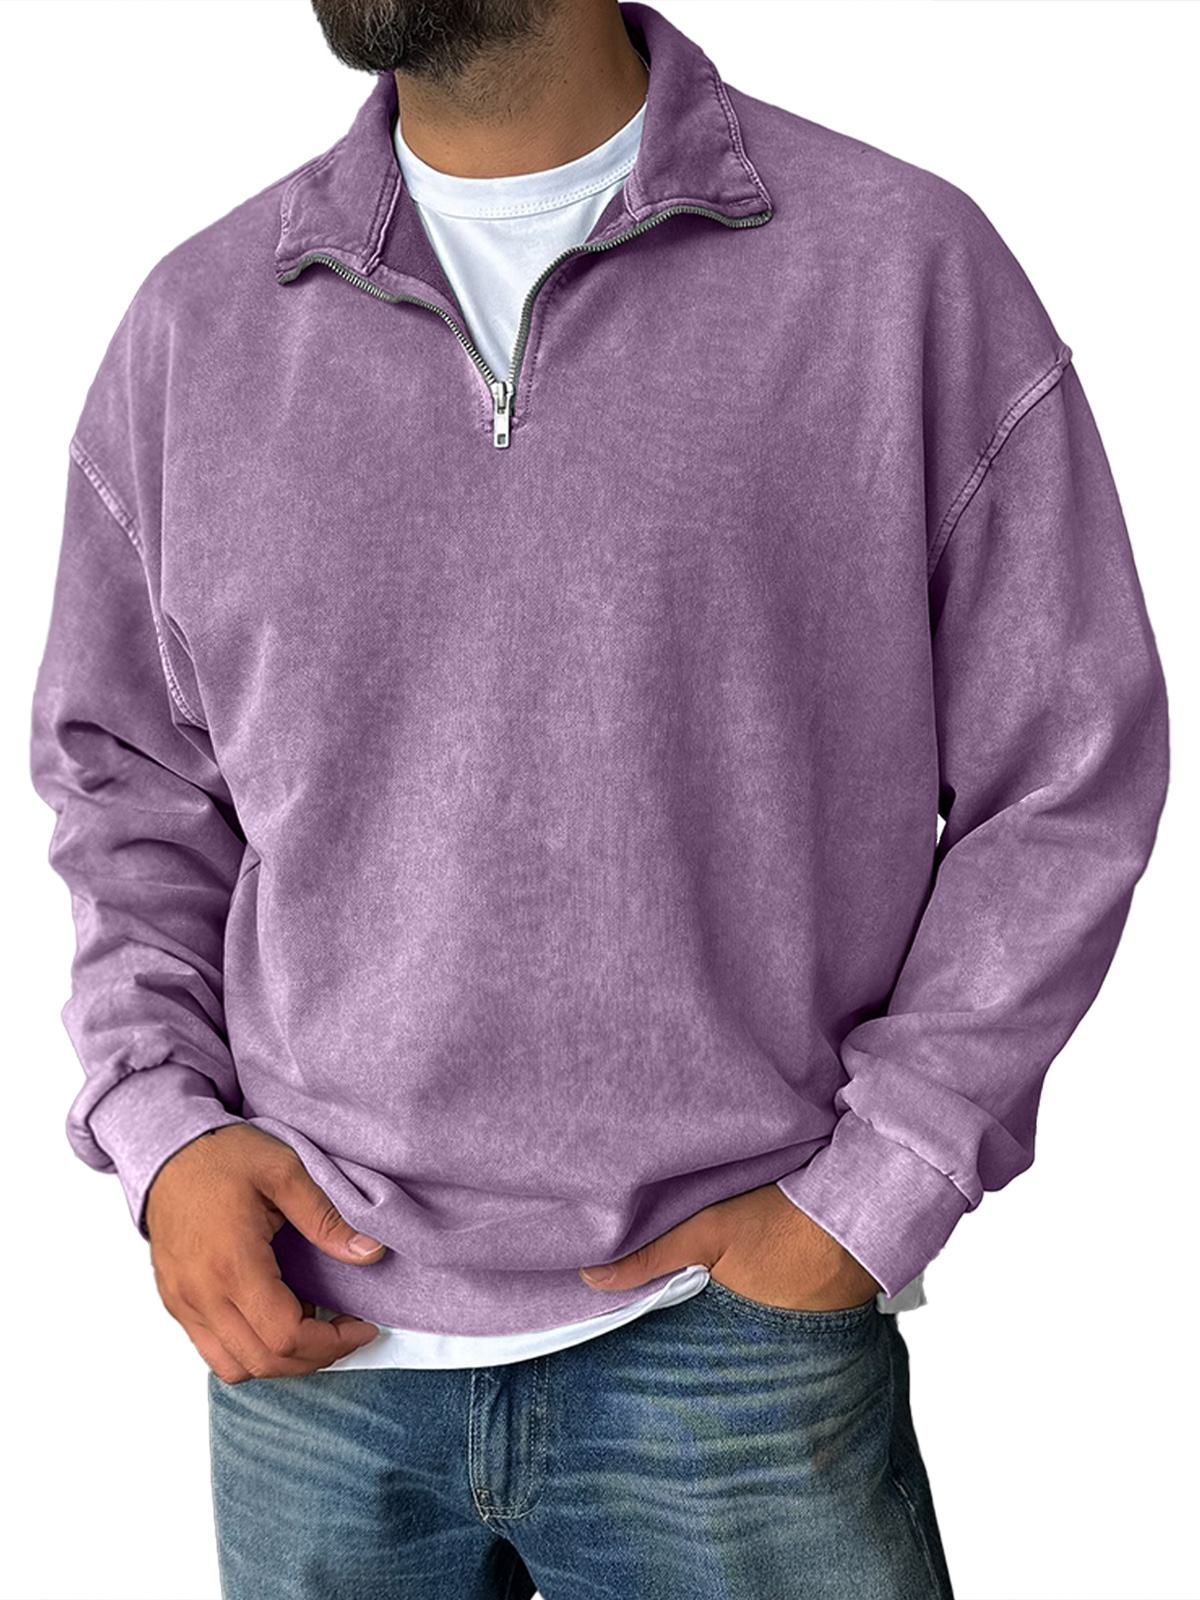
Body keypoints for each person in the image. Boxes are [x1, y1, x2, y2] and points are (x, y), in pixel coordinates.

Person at [28, 0, 1169, 1595]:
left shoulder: (895, 270)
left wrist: (876, 1191)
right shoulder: (197, 327)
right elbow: (128, 790)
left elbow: (1066, 766)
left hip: (735, 1350)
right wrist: (165, 1138)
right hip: (312, 1347)